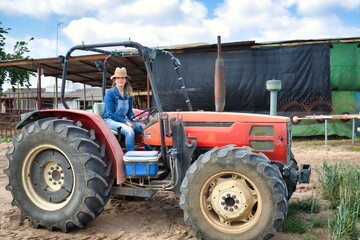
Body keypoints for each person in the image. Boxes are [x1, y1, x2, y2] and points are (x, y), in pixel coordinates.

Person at [102, 67, 144, 151]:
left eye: (122, 78)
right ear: (114, 80)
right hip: (110, 120)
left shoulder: (128, 94)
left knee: (146, 129)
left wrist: (133, 118)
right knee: (129, 131)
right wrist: (125, 121)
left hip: (122, 119)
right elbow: (110, 114)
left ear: (125, 80)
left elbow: (129, 112)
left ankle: (148, 156)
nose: (120, 80)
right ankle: (131, 158)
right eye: (118, 78)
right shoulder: (110, 93)